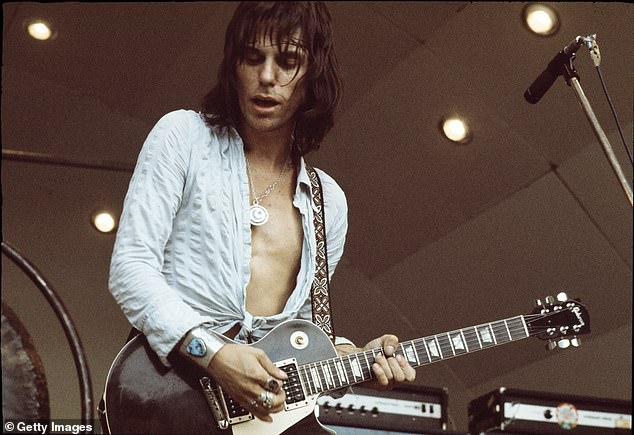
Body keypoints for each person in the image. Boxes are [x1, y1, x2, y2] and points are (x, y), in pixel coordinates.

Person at [106, 1, 416, 432]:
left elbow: (305, 335)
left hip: (270, 417)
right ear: (234, 66)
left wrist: (356, 357)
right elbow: (130, 270)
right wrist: (214, 354)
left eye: (288, 61)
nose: (267, 77)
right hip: (172, 397)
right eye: (253, 57)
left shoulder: (329, 201)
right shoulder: (184, 137)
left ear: (313, 77)